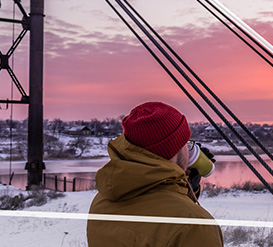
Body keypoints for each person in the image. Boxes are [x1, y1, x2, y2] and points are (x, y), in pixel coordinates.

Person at [87, 101, 224, 246]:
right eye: (185, 142)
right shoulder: (195, 226)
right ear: (174, 149)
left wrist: (186, 186)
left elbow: (157, 210)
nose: (189, 149)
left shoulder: (102, 201)